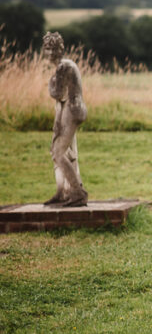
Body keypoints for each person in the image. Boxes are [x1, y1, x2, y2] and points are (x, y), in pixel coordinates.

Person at [42, 31, 88, 207]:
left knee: (59, 152)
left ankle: (77, 193)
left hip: (72, 110)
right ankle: (63, 191)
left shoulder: (64, 67)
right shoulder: (62, 66)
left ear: (61, 49)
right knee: (63, 152)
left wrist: (50, 84)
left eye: (54, 48)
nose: (51, 53)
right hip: (67, 110)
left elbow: (57, 93)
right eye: (48, 49)